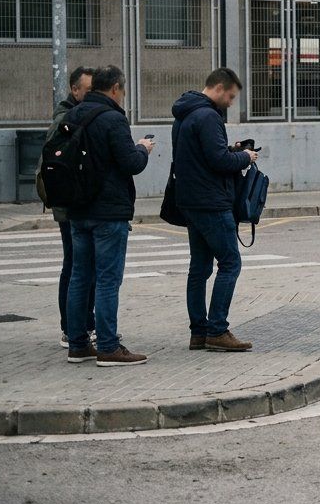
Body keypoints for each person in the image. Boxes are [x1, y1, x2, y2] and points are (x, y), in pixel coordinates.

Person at [63, 65, 153, 366]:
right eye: (123, 90)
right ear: (115, 88)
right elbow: (131, 163)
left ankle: (77, 344)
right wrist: (143, 148)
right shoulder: (114, 119)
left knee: (79, 277)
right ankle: (108, 347)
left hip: (77, 209)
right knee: (107, 280)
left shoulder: (73, 114)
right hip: (108, 212)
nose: (122, 95)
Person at [171, 68, 259, 353]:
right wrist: (244, 156)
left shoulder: (186, 112)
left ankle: (199, 332)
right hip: (211, 201)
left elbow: (205, 154)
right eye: (231, 97)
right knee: (230, 263)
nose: (231, 103)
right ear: (219, 88)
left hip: (190, 200)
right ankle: (217, 330)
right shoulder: (208, 116)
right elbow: (219, 161)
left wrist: (229, 149)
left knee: (199, 268)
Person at [48, 66, 94, 349]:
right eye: (87, 90)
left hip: (77, 203)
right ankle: (71, 327)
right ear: (75, 90)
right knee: (75, 266)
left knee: (82, 266)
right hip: (69, 205)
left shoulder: (78, 114)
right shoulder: (65, 118)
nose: (91, 95)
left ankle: (84, 324)